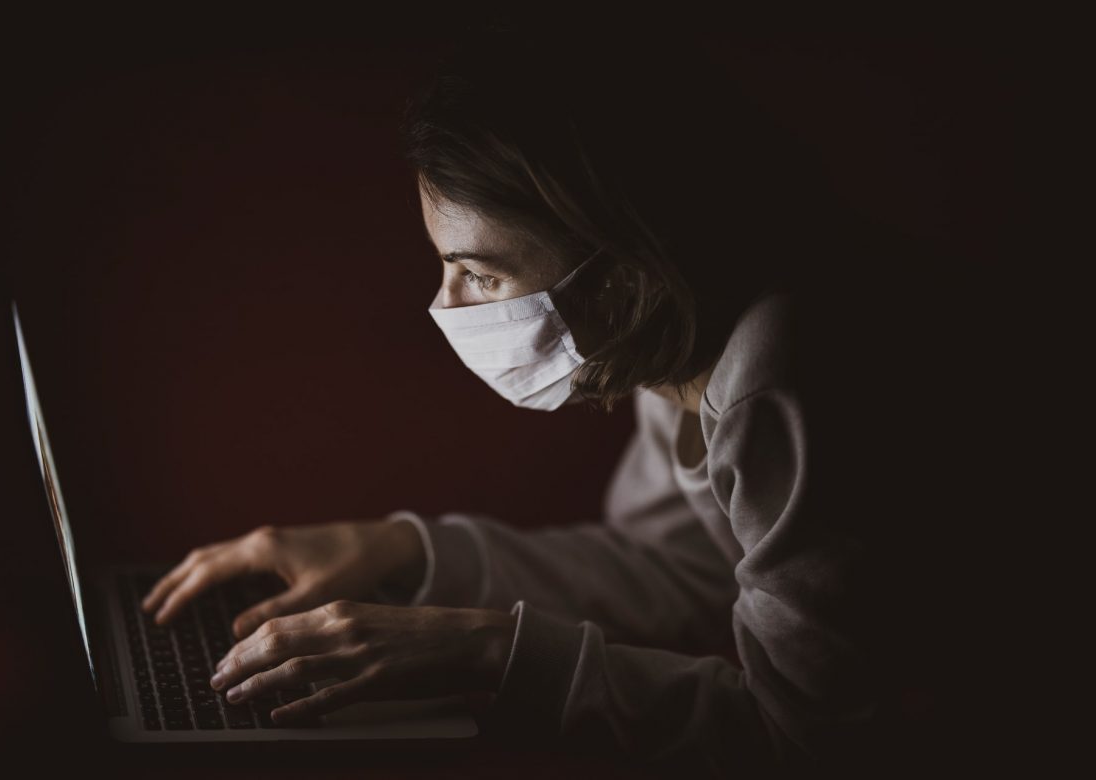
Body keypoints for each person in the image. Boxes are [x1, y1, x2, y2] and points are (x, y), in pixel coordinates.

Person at [140, 17, 950, 776]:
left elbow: (807, 742)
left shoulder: (784, 380)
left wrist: (489, 653)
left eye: (480, 273)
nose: (446, 308)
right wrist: (402, 550)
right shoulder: (665, 337)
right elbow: (681, 569)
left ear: (627, 272)